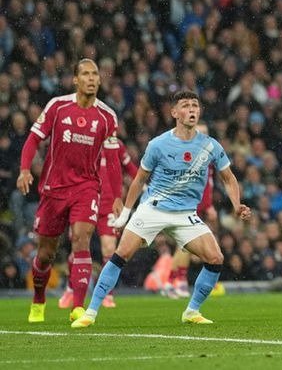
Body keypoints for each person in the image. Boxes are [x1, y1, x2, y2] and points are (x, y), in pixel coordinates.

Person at [71, 91, 251, 328]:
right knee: (120, 254)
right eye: (185, 105)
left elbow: (228, 178)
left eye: (195, 105)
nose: (192, 109)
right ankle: (90, 313)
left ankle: (191, 311)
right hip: (153, 208)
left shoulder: (210, 146)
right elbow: (138, 180)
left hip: (185, 213)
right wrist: (126, 212)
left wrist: (236, 204)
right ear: (174, 113)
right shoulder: (158, 144)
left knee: (215, 258)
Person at [17, 58, 118, 323]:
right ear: (75, 80)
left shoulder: (107, 117)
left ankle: (77, 306)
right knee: (46, 253)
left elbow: (114, 159)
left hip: (86, 188)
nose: (91, 78)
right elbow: (33, 139)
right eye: (85, 74)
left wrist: (117, 195)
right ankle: (39, 299)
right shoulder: (58, 106)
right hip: (54, 188)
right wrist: (25, 169)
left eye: (95, 74)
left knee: (81, 239)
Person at [58, 135, 138, 310]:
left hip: (109, 206)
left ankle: (106, 293)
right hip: (84, 202)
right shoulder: (83, 141)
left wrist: (145, 185)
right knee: (78, 248)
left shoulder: (116, 145)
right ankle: (71, 289)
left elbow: (130, 167)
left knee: (109, 249)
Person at [161, 122, 219, 300]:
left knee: (183, 246)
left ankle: (172, 282)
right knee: (186, 245)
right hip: (189, 205)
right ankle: (178, 281)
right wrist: (208, 205)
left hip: (192, 205)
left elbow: (206, 185)